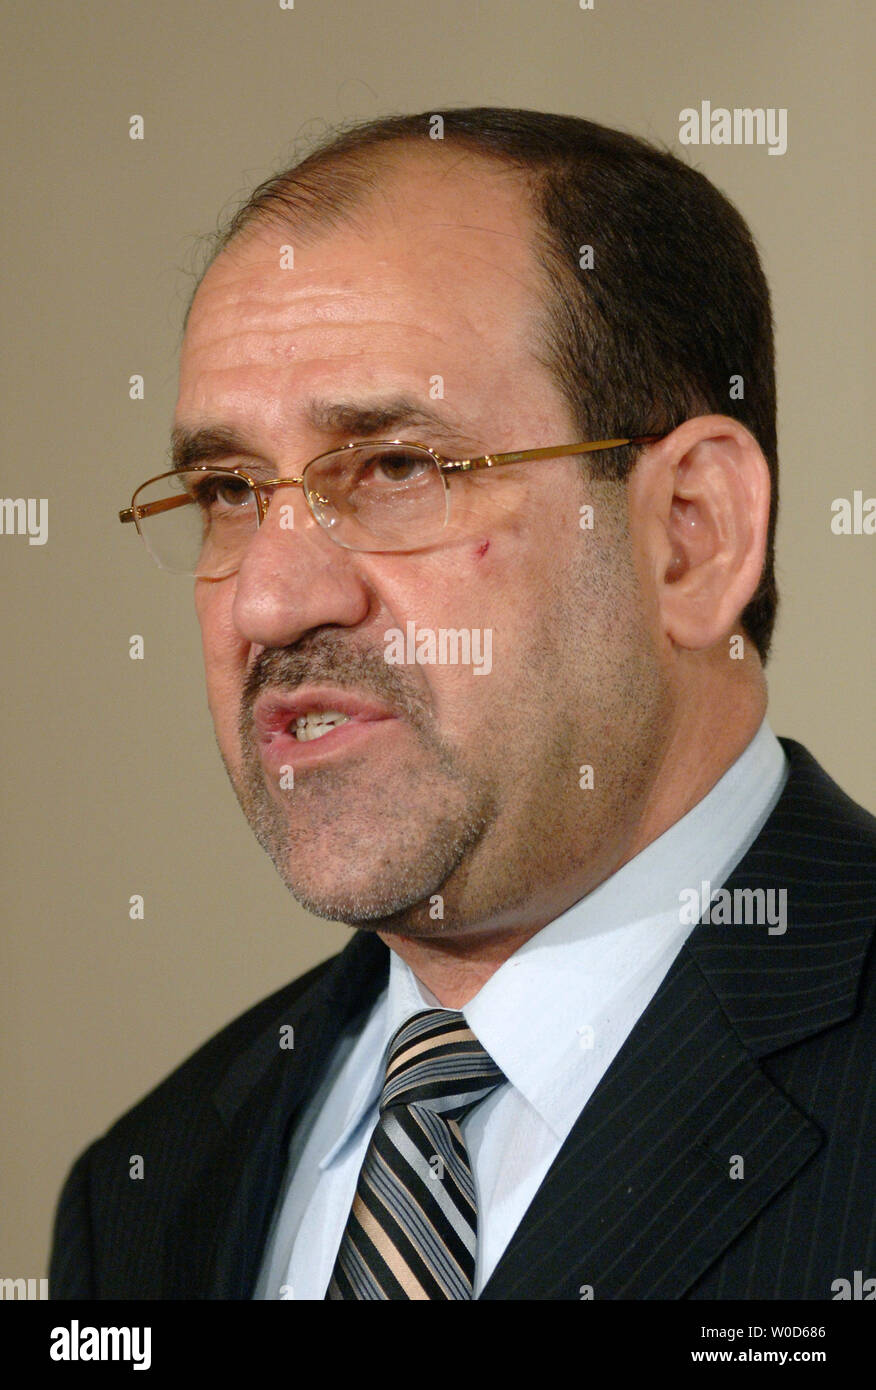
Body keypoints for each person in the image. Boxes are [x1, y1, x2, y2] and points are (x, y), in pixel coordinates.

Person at [51, 108, 875, 1300]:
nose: (270, 600)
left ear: (691, 536)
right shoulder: (144, 1193)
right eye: (227, 489)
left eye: (395, 467)